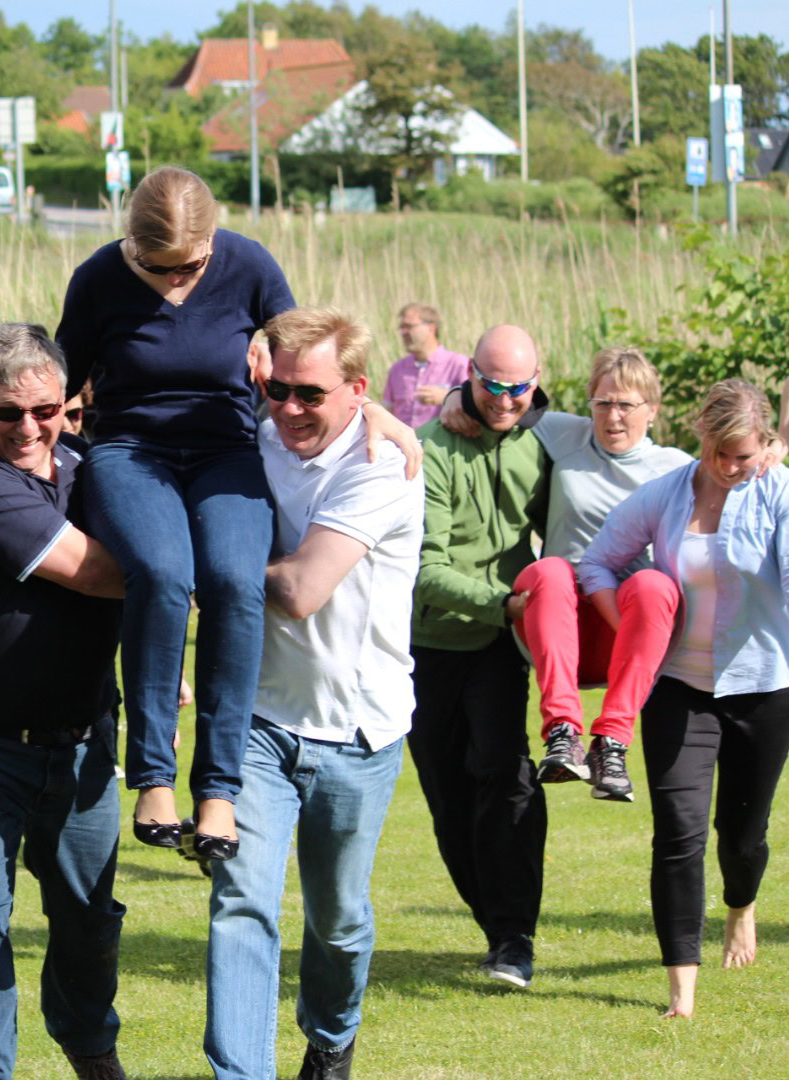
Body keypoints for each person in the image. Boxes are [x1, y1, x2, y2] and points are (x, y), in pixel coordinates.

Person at [55, 164, 417, 855]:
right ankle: (155, 774)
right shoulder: (99, 277)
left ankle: (219, 790)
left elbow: (311, 354)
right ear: (130, 243)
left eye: (190, 266)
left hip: (225, 450)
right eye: (158, 268)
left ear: (213, 241)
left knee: (235, 580)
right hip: (132, 452)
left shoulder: (249, 263)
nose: (177, 281)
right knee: (161, 575)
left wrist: (373, 410)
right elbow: (54, 376)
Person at [204, 308, 422, 1080]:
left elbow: (300, 590)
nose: (290, 409)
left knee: (339, 921)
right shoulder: (252, 434)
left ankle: (331, 1039)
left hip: (359, 734)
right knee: (241, 905)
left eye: (311, 394)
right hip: (259, 723)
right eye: (279, 391)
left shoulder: (379, 464)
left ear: (358, 390)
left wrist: (204, 568)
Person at [0, 322, 128, 1080]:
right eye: (7, 414)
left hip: (81, 740)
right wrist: (174, 566)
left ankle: (90, 1048)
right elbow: (95, 572)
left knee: (88, 919)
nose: (29, 428)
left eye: (48, 410)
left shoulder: (88, 464)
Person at [579, 378, 789, 1020]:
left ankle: (742, 905)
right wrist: (637, 630)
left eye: (744, 458)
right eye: (719, 454)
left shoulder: (780, 493)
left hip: (764, 687)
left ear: (767, 448)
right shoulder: (666, 493)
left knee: (742, 835)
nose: (729, 469)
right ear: (701, 439)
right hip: (677, 688)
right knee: (678, 831)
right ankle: (682, 990)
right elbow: (597, 563)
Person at [437, 348, 691, 801]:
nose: (613, 417)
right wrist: (455, 396)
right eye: (603, 403)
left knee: (654, 583)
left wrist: (773, 446)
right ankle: (562, 733)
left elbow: (736, 466)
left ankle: (611, 743)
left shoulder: (675, 469)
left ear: (652, 410)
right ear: (589, 404)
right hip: (558, 623)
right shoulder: (564, 434)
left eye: (626, 405)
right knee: (550, 569)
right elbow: (504, 403)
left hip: (625, 628)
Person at [409, 324, 551, 990]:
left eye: (520, 387)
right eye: (493, 385)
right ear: (471, 372)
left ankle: (513, 935)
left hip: (501, 644)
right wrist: (506, 603)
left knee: (508, 773)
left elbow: (618, 457)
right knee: (448, 796)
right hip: (430, 644)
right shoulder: (433, 448)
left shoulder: (549, 438)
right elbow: (423, 567)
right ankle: (494, 925)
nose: (506, 399)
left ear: (538, 377)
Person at [381, 303, 468, 427]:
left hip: (441, 444)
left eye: (409, 326)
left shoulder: (458, 364)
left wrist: (447, 397)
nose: (404, 332)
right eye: (402, 327)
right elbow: (386, 411)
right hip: (401, 444)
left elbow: (475, 404)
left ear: (431, 328)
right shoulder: (397, 369)